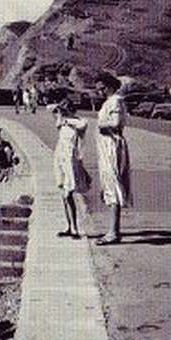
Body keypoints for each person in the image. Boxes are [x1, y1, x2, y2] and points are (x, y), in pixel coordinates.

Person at [95, 81, 132, 245]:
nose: (100, 91)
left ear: (109, 87)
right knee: (109, 183)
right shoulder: (111, 101)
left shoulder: (115, 101)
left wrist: (102, 125)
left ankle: (113, 232)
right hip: (106, 145)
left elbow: (116, 122)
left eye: (102, 88)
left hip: (111, 144)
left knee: (113, 184)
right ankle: (113, 230)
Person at [51, 100, 91, 238]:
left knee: (69, 194)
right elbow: (52, 113)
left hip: (71, 159)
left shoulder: (78, 122)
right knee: (64, 194)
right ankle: (70, 226)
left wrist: (67, 119)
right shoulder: (61, 122)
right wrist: (60, 112)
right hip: (60, 158)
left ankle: (74, 228)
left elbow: (82, 125)